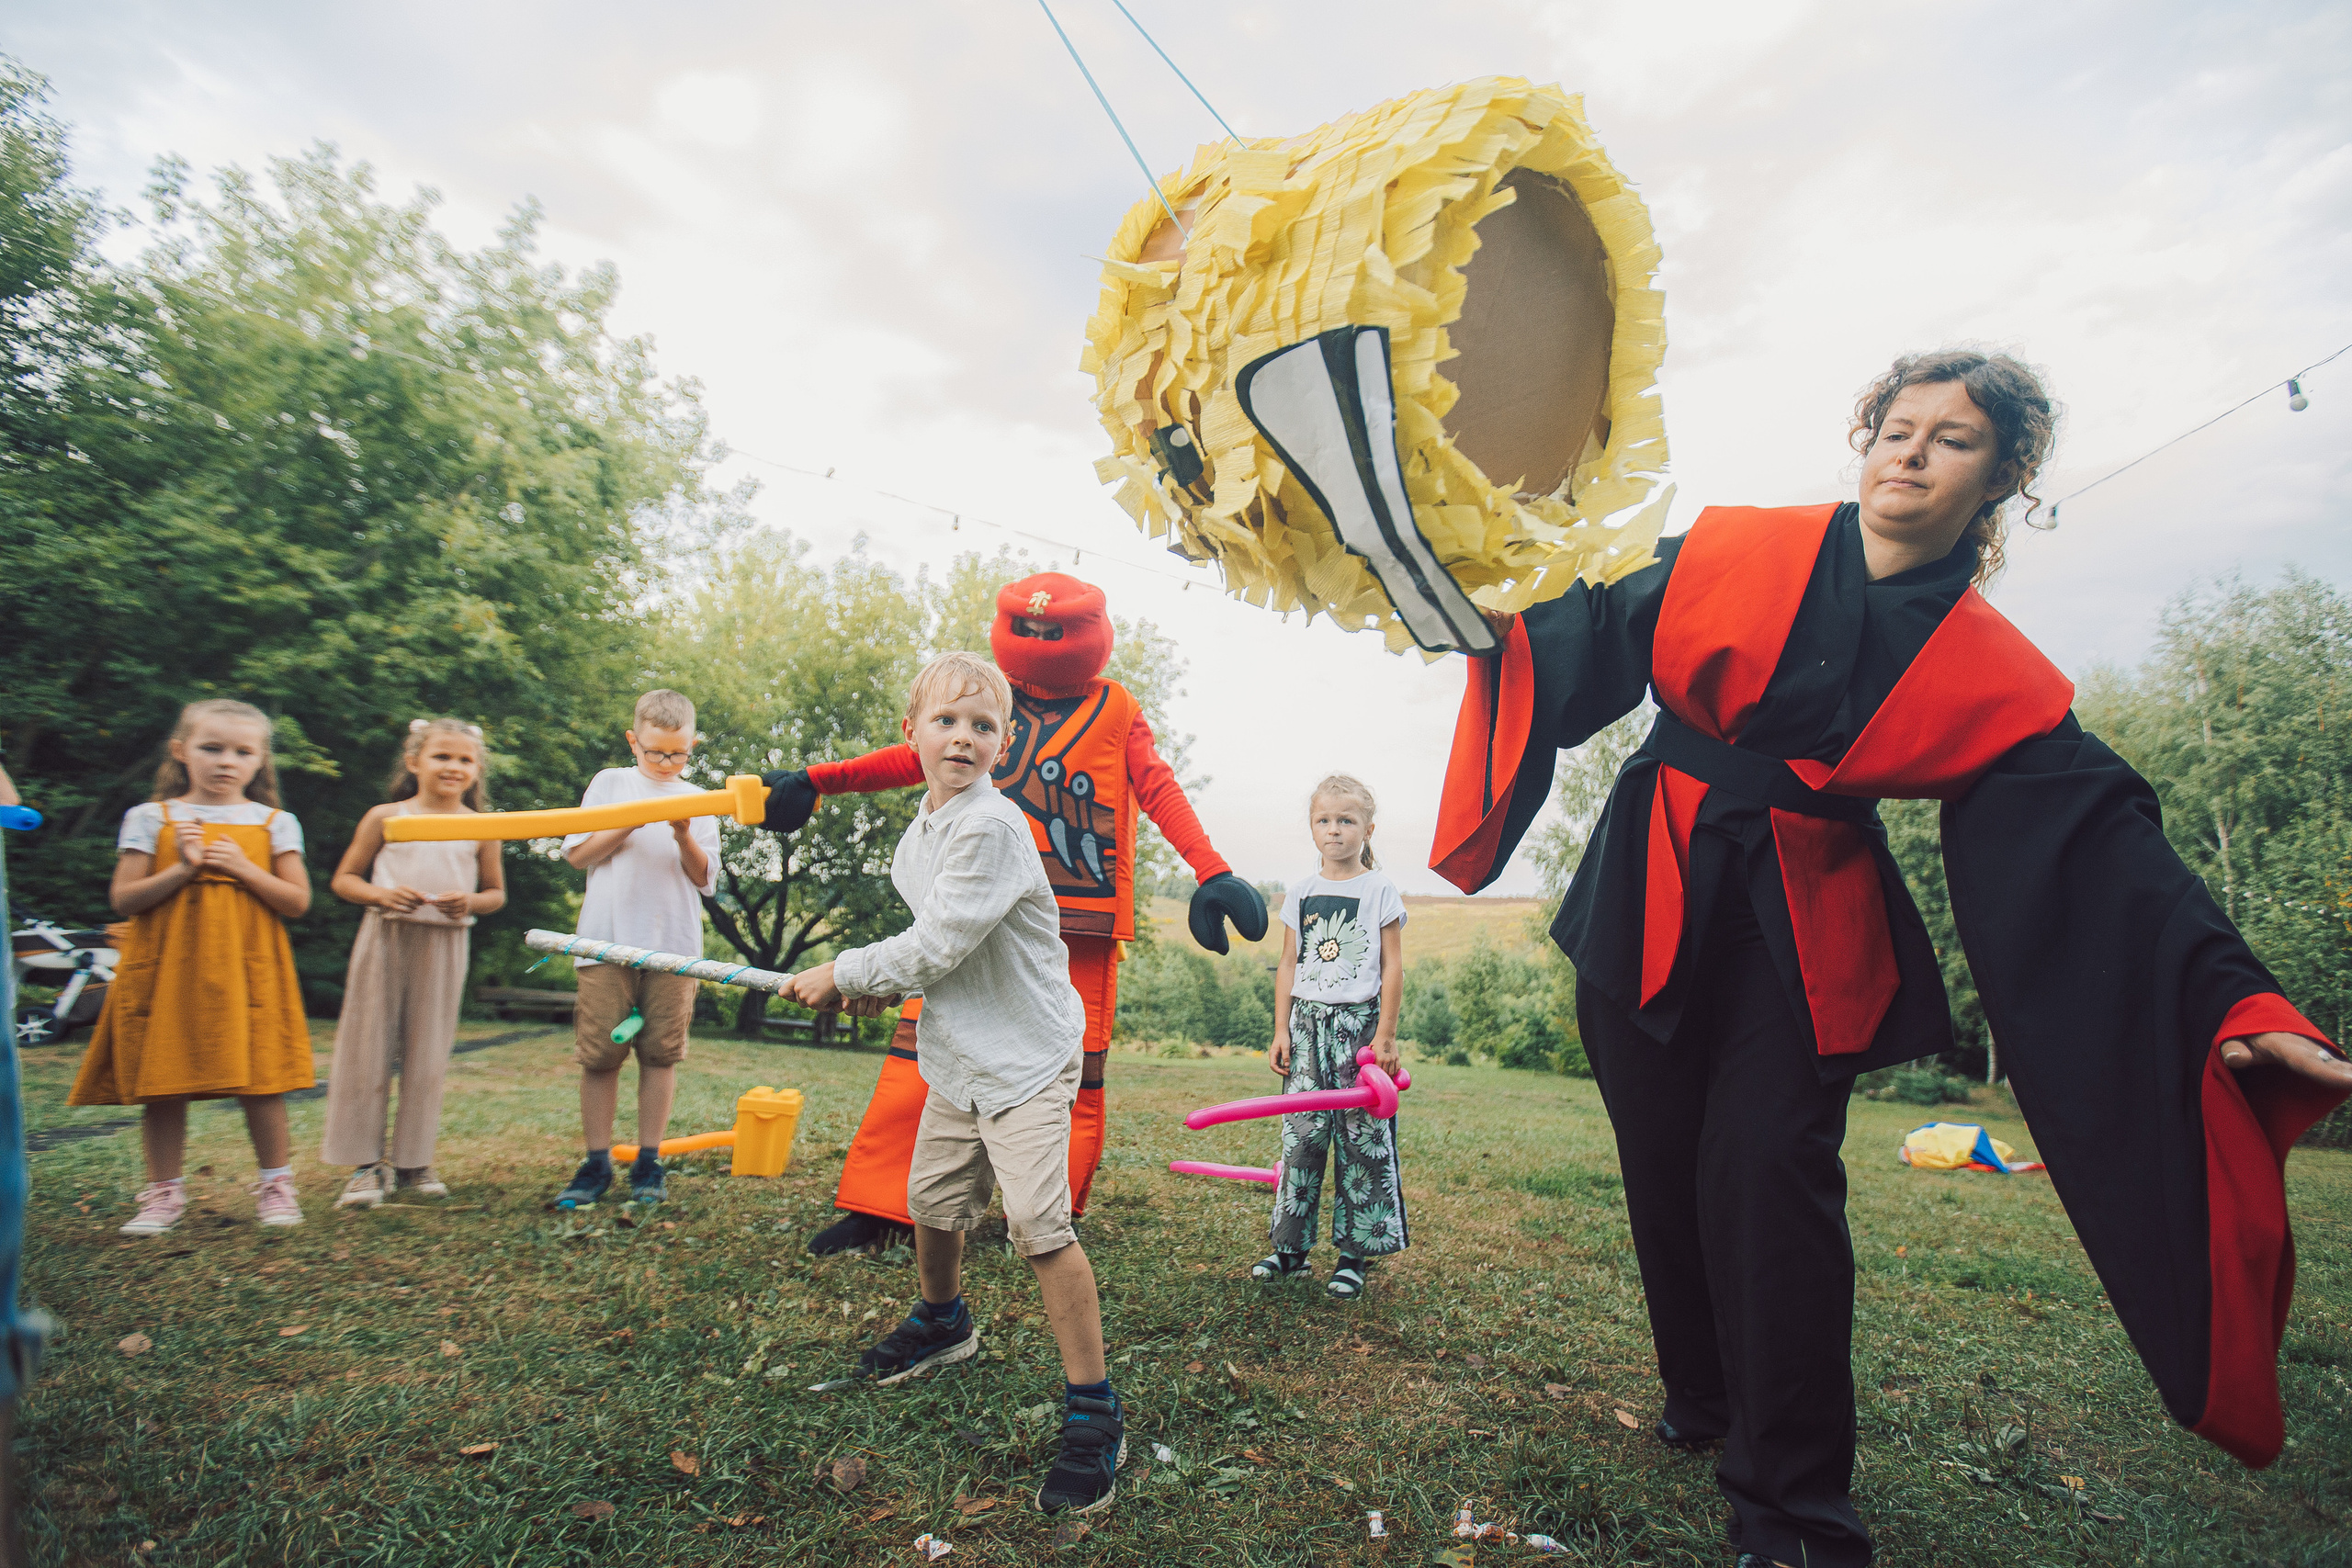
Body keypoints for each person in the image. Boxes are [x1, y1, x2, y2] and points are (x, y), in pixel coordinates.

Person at [1430, 348, 2352, 1568]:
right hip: (1646, 887)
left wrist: (2234, 992)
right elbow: (1577, 626)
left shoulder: (1986, 664)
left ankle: (1794, 1503)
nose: (1910, 452)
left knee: (1769, 1173)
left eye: (1951, 438)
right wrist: (1461, 597)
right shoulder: (1735, 548)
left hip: (1808, 924)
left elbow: (2100, 834)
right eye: (1895, 426)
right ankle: (1703, 1397)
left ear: (2005, 477)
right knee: (1664, 1165)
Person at [763, 572, 1264, 1254]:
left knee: (1072, 1073)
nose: (1036, 639)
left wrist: (1211, 871)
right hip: (963, 910)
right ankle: (885, 1204)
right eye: (1023, 626)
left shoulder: (1116, 709)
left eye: (1051, 627)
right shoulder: (982, 702)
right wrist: (817, 781)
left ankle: (1040, 1210)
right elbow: (908, 758)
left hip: (1078, 920)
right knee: (927, 1052)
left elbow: (1158, 786)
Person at [792, 651, 1125, 1517]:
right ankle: (942, 1322)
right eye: (947, 721)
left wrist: (846, 969)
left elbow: (936, 946)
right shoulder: (924, 827)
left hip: (1023, 1058)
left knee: (1038, 1224)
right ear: (912, 734)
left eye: (984, 726)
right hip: (961, 1051)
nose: (964, 737)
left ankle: (1095, 1408)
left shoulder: (991, 826)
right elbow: (937, 946)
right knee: (932, 1201)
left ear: (1004, 743)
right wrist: (874, 978)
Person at [71, 699, 317, 1234]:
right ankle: (163, 1194)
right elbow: (124, 900)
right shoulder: (149, 818)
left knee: (261, 1079)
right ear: (181, 752)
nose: (226, 761)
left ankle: (276, 1186)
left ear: (260, 761)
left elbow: (296, 902)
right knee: (163, 1079)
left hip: (247, 971)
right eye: (212, 747)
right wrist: (184, 867)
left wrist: (243, 868)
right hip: (168, 970)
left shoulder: (275, 823)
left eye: (242, 751)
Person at [321, 718, 505, 1209]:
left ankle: (414, 1162)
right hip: (385, 935)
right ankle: (364, 1165)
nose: (453, 767)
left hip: (445, 943)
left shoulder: (484, 827)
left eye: (465, 760)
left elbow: (495, 894)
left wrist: (468, 901)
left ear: (476, 770)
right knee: (368, 1046)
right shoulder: (385, 816)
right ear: (414, 762)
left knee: (428, 1053)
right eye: (442, 756)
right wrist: (381, 895)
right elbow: (344, 879)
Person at [553, 690, 720, 1209]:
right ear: (634, 741)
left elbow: (704, 880)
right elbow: (578, 855)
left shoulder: (702, 800)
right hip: (605, 942)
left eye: (678, 754)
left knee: (660, 1054)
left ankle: (649, 1159)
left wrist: (682, 833)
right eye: (655, 753)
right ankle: (596, 1161)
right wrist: (632, 818)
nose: (667, 763)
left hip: (674, 947)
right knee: (601, 1055)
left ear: (692, 745)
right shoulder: (610, 784)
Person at [1255, 774, 1408, 1300]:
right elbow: (1288, 962)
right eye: (1325, 820)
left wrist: (1385, 1035)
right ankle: (1290, 1249)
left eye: (1346, 820)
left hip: (1358, 1029)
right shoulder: (1300, 892)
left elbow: (1392, 967)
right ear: (1312, 828)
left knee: (1360, 1142)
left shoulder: (1379, 889)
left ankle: (1354, 1255)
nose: (1335, 830)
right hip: (1306, 1028)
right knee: (1302, 1138)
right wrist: (1281, 1029)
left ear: (1368, 828)